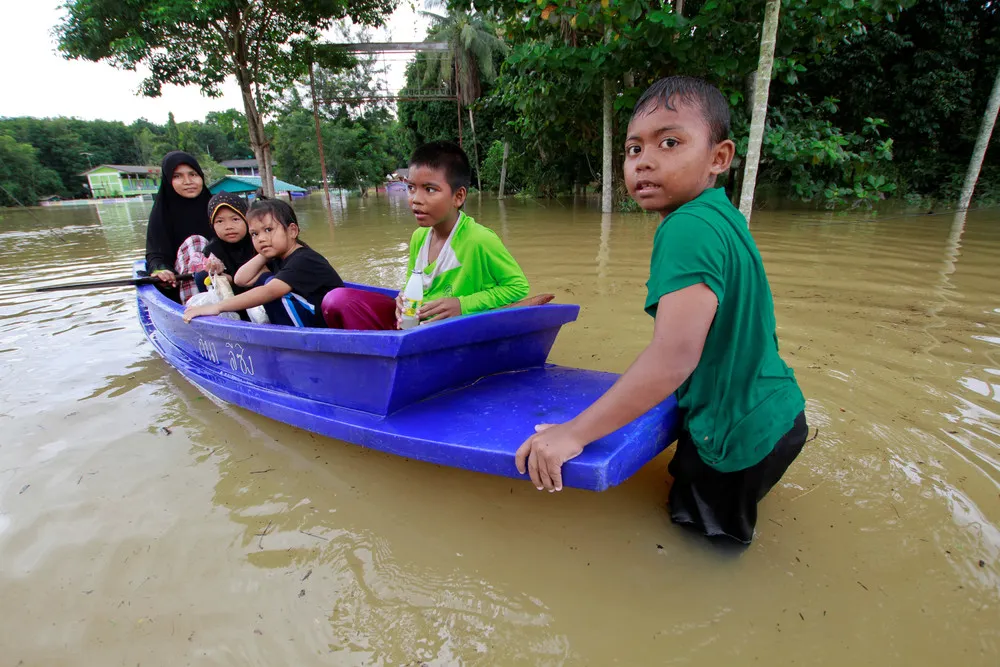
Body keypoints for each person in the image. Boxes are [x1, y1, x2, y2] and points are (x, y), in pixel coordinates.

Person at [514, 77, 808, 546]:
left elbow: (673, 358)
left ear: (719, 158)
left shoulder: (687, 228)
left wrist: (574, 433)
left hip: (734, 437)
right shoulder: (718, 214)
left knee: (701, 549)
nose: (644, 160)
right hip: (771, 409)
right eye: (634, 149)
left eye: (669, 142)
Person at [320, 141, 530, 330]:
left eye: (429, 189)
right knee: (337, 301)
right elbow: (413, 283)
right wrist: (402, 298)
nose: (415, 199)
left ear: (458, 196)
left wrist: (462, 305)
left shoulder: (479, 239)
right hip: (417, 323)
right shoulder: (419, 237)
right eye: (411, 188)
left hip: (450, 329)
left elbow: (517, 287)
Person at [183, 199, 344, 327]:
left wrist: (217, 307)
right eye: (254, 234)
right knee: (264, 278)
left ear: (292, 230)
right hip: (311, 320)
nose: (260, 238)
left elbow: (269, 292)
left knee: (268, 287)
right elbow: (241, 279)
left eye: (268, 230)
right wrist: (264, 254)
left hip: (326, 327)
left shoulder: (304, 259)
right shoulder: (278, 257)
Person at [145, 151, 213, 303]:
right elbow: (156, 253)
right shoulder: (162, 213)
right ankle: (197, 306)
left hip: (222, 273)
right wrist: (161, 271)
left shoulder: (217, 207)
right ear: (168, 180)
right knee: (195, 242)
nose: (188, 181)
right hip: (184, 282)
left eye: (193, 174)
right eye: (178, 176)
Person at [199, 192, 256, 288]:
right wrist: (218, 274)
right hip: (230, 299)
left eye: (235, 219)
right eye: (220, 221)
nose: (228, 227)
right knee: (201, 276)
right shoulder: (212, 251)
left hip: (262, 295)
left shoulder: (258, 242)